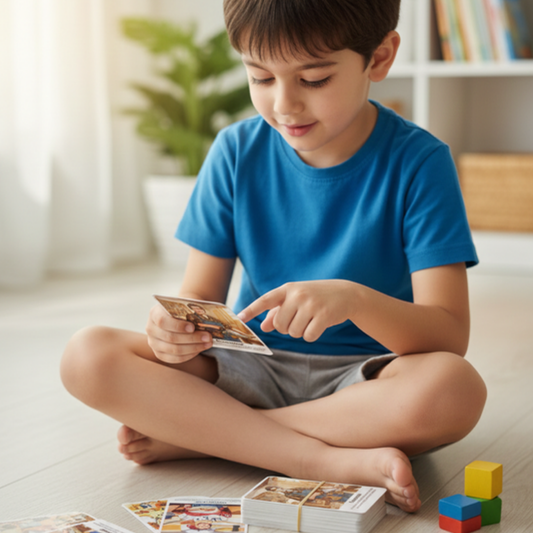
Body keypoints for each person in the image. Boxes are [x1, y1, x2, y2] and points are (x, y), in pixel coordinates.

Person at [60, 0, 487, 513]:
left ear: (379, 57)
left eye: (314, 79)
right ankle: (311, 456)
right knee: (87, 355)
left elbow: (447, 335)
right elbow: (199, 294)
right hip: (249, 368)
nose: (284, 105)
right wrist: (171, 329)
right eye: (261, 77)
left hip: (363, 382)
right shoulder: (235, 150)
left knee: (454, 389)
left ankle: (208, 438)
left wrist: (354, 300)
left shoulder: (421, 162)